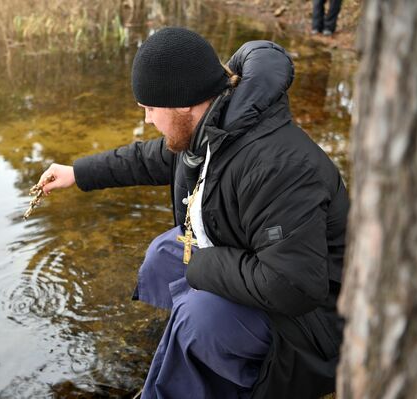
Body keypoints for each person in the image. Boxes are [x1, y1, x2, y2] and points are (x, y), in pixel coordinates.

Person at [37, 27, 349, 398]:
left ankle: (205, 363)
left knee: (199, 315)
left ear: (184, 102)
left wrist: (200, 267)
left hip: (313, 324)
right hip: (254, 266)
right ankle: (189, 355)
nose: (148, 120)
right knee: (164, 256)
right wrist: (78, 173)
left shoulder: (277, 165)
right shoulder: (213, 127)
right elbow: (148, 159)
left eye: (151, 109)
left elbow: (293, 286)